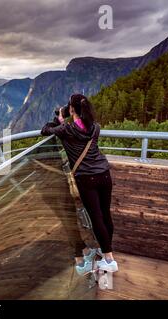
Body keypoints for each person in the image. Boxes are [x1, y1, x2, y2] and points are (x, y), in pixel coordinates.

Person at [41, 93, 118, 274]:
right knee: (106, 215)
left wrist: (58, 119)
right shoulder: (95, 127)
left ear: (72, 109)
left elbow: (45, 130)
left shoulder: (65, 130)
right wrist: (65, 121)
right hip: (104, 174)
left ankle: (109, 259)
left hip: (86, 178)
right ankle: (106, 249)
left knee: (96, 217)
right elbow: (81, 130)